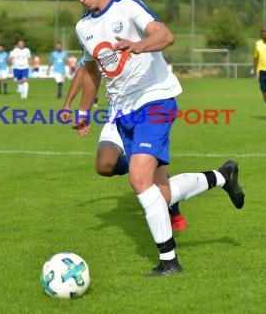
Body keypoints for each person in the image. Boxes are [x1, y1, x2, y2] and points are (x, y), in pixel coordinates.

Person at [62, 0, 244, 277]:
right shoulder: (83, 27)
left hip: (155, 100)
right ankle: (222, 177)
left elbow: (165, 35)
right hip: (122, 111)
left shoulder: (127, 7)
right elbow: (91, 70)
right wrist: (82, 111)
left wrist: (140, 45)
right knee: (159, 193)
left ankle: (169, 262)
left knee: (139, 180)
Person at [60, 61, 190, 231]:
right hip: (116, 115)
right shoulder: (93, 40)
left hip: (144, 113)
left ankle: (175, 212)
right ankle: (151, 165)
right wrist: (68, 104)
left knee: (147, 168)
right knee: (104, 165)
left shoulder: (133, 38)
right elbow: (85, 69)